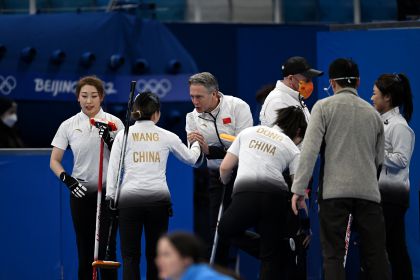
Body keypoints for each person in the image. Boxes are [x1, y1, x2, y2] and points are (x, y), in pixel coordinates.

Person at [290, 58, 390, 280]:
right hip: (368, 194)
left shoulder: (323, 107)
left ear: (332, 83)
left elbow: (309, 151)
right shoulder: (373, 114)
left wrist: (298, 190)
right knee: (376, 255)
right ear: (358, 82)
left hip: (334, 193)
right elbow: (379, 159)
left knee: (333, 255)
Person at [106, 91, 202, 280]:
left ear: (135, 112)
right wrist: (195, 142)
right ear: (156, 113)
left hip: (129, 202)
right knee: (156, 257)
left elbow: (114, 170)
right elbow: (192, 159)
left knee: (130, 257)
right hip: (158, 202)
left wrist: (111, 197)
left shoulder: (123, 135)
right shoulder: (167, 136)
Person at [217, 106, 309, 280]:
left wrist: (225, 180)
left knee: (226, 230)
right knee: (270, 257)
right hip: (276, 198)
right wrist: (305, 223)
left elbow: (225, 167)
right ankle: (278, 251)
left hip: (245, 193)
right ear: (298, 131)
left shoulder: (248, 132)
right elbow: (299, 188)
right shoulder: (293, 148)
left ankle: (277, 251)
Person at [50, 76, 123, 280]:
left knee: (107, 252)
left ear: (101, 98)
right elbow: (54, 160)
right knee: (85, 251)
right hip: (80, 193)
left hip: (108, 195)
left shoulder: (114, 122)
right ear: (77, 98)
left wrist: (110, 139)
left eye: (93, 96)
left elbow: (125, 156)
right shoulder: (68, 125)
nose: (89, 101)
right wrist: (68, 180)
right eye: (84, 96)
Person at [186, 72, 253, 265]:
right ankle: (218, 273)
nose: (194, 101)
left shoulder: (238, 107)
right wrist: (199, 151)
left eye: (199, 97)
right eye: (191, 96)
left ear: (214, 94)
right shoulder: (192, 118)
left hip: (244, 175)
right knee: (217, 231)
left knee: (234, 227)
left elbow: (244, 147)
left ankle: (272, 254)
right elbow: (196, 158)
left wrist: (212, 150)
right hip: (216, 176)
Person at [371, 73, 414, 279]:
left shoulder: (399, 125)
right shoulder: (381, 121)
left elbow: (402, 160)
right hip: (383, 194)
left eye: (375, 94)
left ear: (387, 97)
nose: (372, 98)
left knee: (386, 246)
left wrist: (375, 151)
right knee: (395, 246)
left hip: (392, 196)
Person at [259, 56, 323, 127]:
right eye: (307, 80)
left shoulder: (294, 97)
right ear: (291, 79)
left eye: (311, 80)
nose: (310, 84)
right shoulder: (278, 102)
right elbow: (285, 136)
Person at [156, 232, 235, 280]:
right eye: (158, 255)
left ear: (186, 259)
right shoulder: (174, 276)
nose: (158, 261)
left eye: (166, 255)